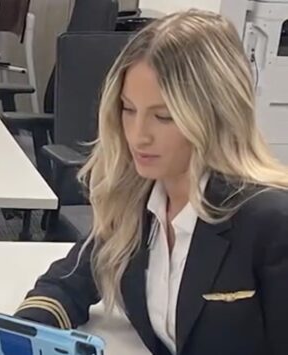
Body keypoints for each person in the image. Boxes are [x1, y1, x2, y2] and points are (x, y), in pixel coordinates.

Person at [14, 9, 288, 355]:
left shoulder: (271, 222)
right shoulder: (138, 200)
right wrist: (17, 338)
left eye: (163, 116)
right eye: (129, 110)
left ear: (215, 115)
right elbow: (67, 283)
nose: (138, 136)